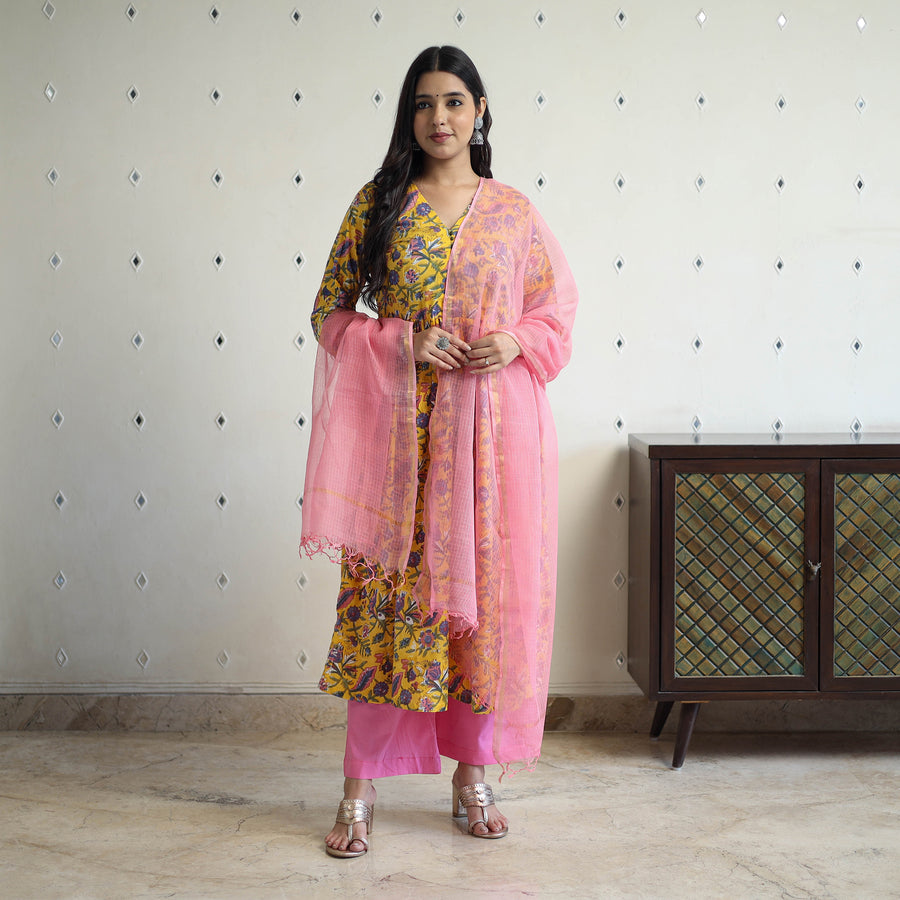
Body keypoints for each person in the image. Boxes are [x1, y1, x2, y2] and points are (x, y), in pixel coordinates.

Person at [300, 45, 577, 858]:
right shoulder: (380, 203)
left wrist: (513, 341)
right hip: (398, 450)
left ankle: (473, 774)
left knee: (481, 614)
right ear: (409, 116)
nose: (439, 118)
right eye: (423, 104)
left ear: (480, 110)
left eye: (454, 101)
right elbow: (328, 312)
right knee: (383, 612)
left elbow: (556, 312)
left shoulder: (513, 213)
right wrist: (400, 342)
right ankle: (359, 789)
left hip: (489, 452)